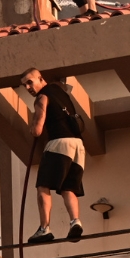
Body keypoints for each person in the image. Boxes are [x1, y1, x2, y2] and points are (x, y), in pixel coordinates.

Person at [18, 68, 86, 243]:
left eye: (29, 82)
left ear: (40, 79)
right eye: (24, 85)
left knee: (43, 185)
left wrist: (32, 127)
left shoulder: (42, 97)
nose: (27, 87)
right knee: (68, 188)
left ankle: (44, 228)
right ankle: (75, 222)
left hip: (59, 143)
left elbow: (37, 130)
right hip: (78, 146)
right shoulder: (60, 92)